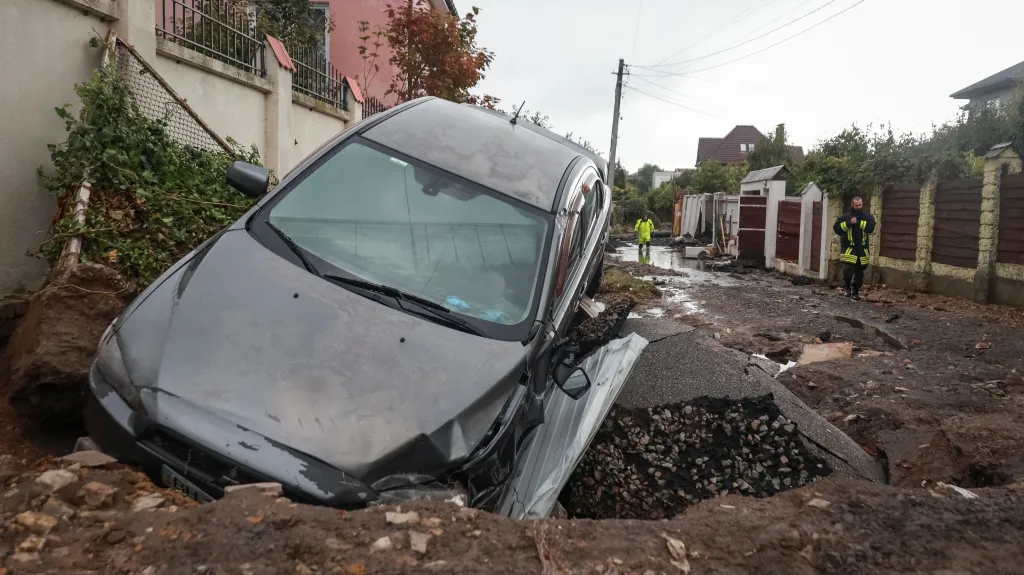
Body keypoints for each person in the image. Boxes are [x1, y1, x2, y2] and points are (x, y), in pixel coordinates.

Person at [833, 196, 875, 301]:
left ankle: (855, 292)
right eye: (856, 205)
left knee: (859, 273)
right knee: (848, 270)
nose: (858, 207)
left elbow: (871, 227)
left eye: (860, 205)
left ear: (862, 204)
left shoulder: (867, 216)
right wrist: (849, 223)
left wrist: (859, 223)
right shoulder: (846, 217)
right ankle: (847, 288)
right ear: (852, 205)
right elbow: (837, 228)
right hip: (849, 249)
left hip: (862, 250)